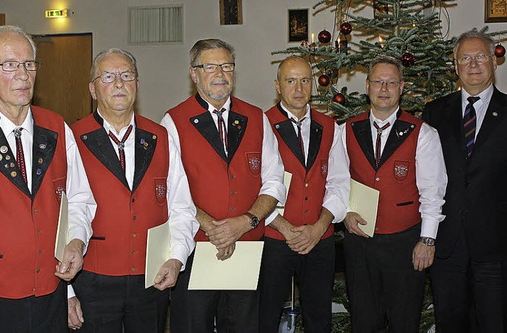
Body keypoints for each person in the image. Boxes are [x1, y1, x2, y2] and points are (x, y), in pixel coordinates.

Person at [0, 25, 96, 333]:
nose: (23, 75)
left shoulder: (57, 128)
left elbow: (79, 198)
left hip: (50, 292)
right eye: (10, 65)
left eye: (29, 64)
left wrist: (77, 241)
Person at [69, 48, 198, 332]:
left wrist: (177, 257)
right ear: (92, 89)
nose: (118, 83)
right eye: (108, 76)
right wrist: (67, 292)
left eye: (127, 75)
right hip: (92, 279)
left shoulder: (160, 136)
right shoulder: (73, 138)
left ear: (137, 86)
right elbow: (61, 217)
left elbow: (181, 207)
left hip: (151, 279)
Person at [162, 38, 286, 333]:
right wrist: (214, 228)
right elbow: (171, 190)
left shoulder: (256, 118)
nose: (220, 73)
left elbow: (274, 181)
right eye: (210, 66)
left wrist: (244, 222)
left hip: (247, 250)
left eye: (227, 66)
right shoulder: (174, 121)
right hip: (195, 250)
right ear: (194, 74)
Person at [342, 55, 447, 332]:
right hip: (360, 243)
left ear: (401, 87)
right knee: (364, 321)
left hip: (405, 243)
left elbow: (433, 192)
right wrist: (344, 213)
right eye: (378, 82)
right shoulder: (347, 130)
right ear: (367, 86)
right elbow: (336, 182)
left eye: (391, 82)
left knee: (404, 320)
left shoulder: (422, 133)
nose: (384, 88)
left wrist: (428, 239)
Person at [422, 30, 507, 332]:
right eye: (465, 58)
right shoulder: (434, 113)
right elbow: (425, 179)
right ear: (455, 65)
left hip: (495, 248)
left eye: (481, 56)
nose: (473, 64)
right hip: (447, 246)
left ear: (494, 61)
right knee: (450, 323)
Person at [259, 56, 349, 333]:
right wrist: (285, 228)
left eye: (305, 80)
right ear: (278, 86)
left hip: (318, 239)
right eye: (290, 81)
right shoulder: (260, 124)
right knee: (265, 316)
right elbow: (255, 188)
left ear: (313, 84)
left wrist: (320, 226)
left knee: (319, 319)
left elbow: (338, 182)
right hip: (274, 238)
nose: (299, 88)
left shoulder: (330, 126)